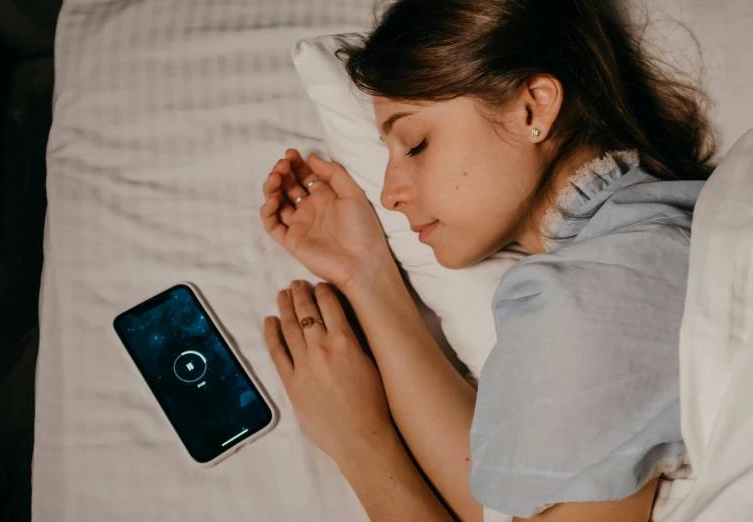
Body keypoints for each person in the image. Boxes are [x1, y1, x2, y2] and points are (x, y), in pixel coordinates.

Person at [258, 0, 716, 520]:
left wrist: (362, 447)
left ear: (532, 108)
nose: (388, 193)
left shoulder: (597, 295)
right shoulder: (643, 246)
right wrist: (367, 276)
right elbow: (503, 503)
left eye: (416, 144)